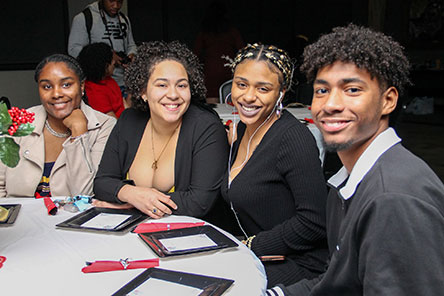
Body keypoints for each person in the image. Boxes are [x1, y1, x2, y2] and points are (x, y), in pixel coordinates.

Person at [267, 24, 444, 296]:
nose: (330, 104)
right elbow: (337, 281)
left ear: (388, 101)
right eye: (322, 91)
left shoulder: (393, 199)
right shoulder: (349, 181)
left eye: (352, 90)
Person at [221, 43, 328, 288]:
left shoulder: (293, 138)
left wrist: (250, 246)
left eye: (263, 88)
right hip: (259, 256)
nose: (248, 96)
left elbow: (314, 221)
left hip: (299, 264)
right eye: (241, 84)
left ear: (282, 92)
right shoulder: (241, 131)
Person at [93, 41, 229, 220]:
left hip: (187, 239)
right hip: (130, 236)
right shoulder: (128, 121)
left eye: (181, 85)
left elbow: (198, 203)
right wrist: (132, 194)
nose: (173, 95)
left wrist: (128, 206)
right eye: (162, 85)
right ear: (143, 91)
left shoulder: (207, 128)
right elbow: (102, 183)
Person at [0, 54, 116, 198]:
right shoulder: (19, 122)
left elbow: (85, 195)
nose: (56, 94)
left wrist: (79, 133)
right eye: (47, 86)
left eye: (66, 85)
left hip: (72, 219)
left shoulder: (105, 127)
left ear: (81, 86)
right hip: (18, 218)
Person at [68, 0, 137, 101]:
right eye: (111, 1)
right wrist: (106, 56)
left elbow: (131, 44)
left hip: (123, 83)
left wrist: (132, 54)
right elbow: (73, 49)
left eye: (120, 2)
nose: (116, 6)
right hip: (97, 85)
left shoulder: (123, 19)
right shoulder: (84, 18)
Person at [193, 0, 244, 104]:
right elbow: (242, 51)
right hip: (228, 68)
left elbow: (196, 54)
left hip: (210, 70)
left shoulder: (205, 32)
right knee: (230, 101)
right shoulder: (232, 31)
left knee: (213, 103)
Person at [78, 42, 125, 118]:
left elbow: (124, 104)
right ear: (104, 66)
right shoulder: (94, 91)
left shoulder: (110, 80)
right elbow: (111, 121)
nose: (114, 62)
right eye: (111, 60)